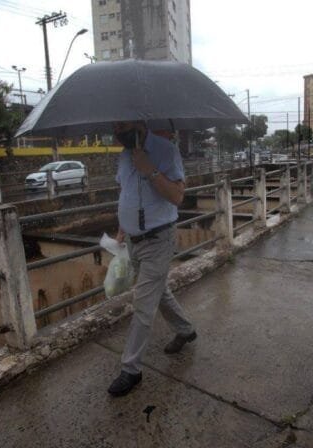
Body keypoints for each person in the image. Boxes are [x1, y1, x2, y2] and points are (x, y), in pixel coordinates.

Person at [107, 121, 197, 397]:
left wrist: (150, 170)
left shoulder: (166, 151)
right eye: (115, 125)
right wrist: (121, 231)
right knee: (159, 292)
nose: (117, 129)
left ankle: (130, 369)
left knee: (143, 304)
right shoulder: (124, 154)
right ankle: (185, 329)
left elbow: (177, 196)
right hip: (133, 240)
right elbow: (126, 193)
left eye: (122, 124)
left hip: (158, 239)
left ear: (138, 122)